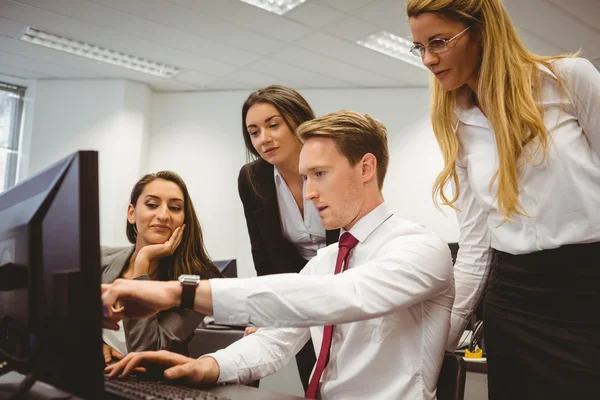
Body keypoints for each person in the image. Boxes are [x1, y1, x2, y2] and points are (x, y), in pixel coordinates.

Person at [102, 110, 454, 400]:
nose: (310, 193)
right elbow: (274, 340)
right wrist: (207, 366)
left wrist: (184, 292)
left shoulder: (419, 249)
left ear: (365, 168)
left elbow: (340, 296)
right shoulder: (325, 262)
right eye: (305, 178)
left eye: (320, 174)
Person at [406, 0, 600, 398]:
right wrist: (442, 336)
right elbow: (476, 242)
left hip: (588, 291)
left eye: (438, 42)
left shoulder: (567, 80)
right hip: (514, 300)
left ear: (480, 30)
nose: (428, 58)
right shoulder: (458, 120)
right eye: (419, 46)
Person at [238, 85, 339, 389]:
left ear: (297, 120)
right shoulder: (252, 178)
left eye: (273, 125)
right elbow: (263, 255)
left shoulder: (335, 161)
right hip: (297, 293)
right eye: (254, 132)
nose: (263, 139)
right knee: (313, 381)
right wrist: (264, 313)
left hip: (345, 282)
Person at [101, 171, 222, 364]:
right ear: (131, 213)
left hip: (152, 386)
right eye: (151, 205)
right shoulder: (101, 260)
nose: (164, 215)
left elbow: (145, 352)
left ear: (184, 219)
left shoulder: (198, 280)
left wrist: (142, 264)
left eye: (174, 208)